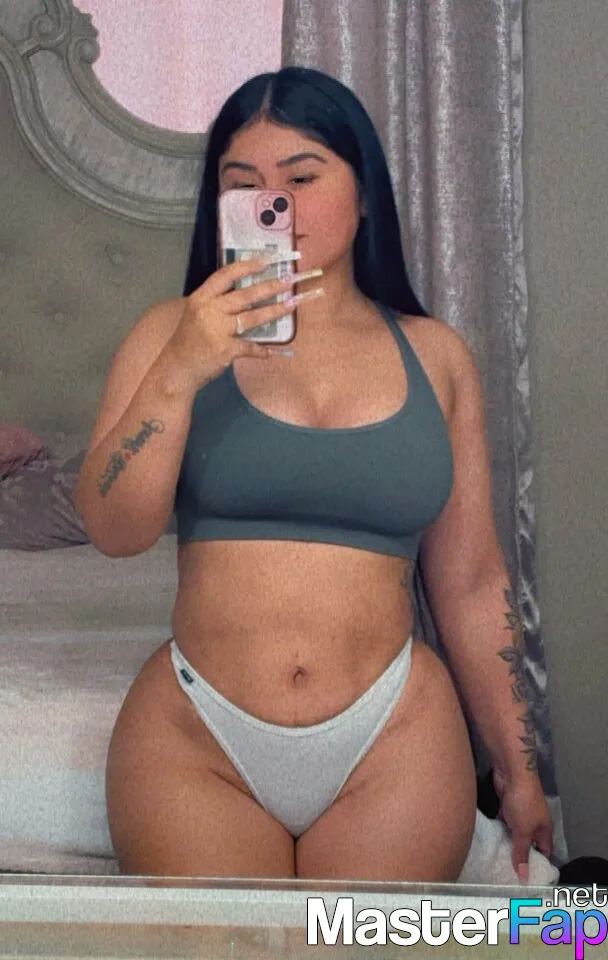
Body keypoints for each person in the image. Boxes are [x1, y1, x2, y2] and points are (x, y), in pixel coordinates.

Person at [74, 66, 552, 881]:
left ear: (364, 195)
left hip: (393, 735)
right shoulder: (167, 335)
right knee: (224, 942)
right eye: (244, 185)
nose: (276, 205)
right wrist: (181, 370)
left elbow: (472, 581)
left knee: (352, 937)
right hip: (197, 736)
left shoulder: (437, 357)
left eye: (302, 178)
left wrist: (518, 771)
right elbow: (114, 530)